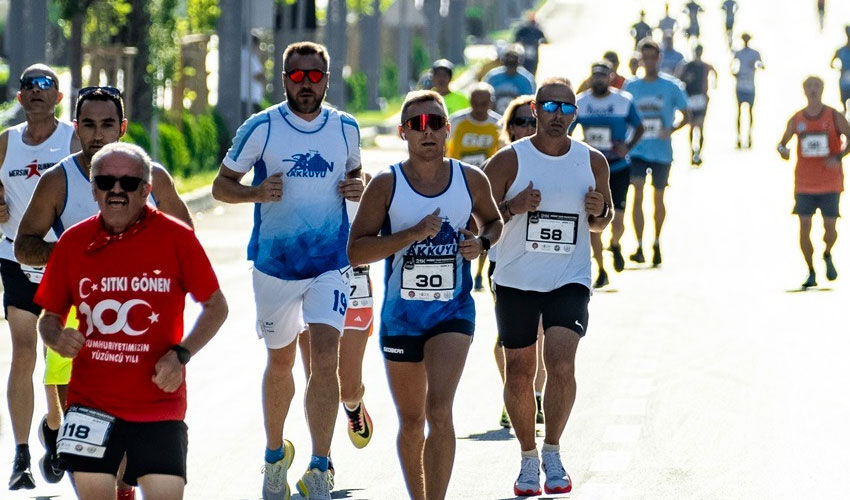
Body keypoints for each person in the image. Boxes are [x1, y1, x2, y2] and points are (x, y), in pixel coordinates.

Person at [14, 86, 193, 495]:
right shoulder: (58, 179)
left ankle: (123, 485)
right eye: (89, 125)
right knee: (90, 433)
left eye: (107, 124)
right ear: (75, 128)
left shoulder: (154, 177)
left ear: (123, 127)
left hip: (140, 324)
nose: (98, 135)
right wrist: (70, 255)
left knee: (135, 428)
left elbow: (188, 243)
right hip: (77, 320)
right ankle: (62, 437)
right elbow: (25, 243)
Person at [212, 41, 363, 500]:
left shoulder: (345, 128)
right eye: (297, 76)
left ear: (327, 79)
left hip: (330, 263)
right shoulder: (262, 127)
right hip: (276, 265)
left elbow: (357, 181)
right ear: (284, 79)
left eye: (315, 76)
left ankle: (320, 466)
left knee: (324, 359)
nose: (306, 84)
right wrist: (256, 195)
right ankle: (275, 456)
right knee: (280, 362)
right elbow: (221, 187)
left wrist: (359, 188)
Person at [33, 142, 227, 500]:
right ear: (93, 190)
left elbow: (217, 307)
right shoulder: (73, 243)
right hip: (91, 404)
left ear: (146, 190)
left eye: (128, 182)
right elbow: (48, 317)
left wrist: (181, 354)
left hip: (158, 405)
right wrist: (55, 336)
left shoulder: (176, 238)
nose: (116, 190)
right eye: (105, 182)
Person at [348, 90, 502, 500]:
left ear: (448, 129)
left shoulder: (471, 180)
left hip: (453, 313)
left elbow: (494, 222)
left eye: (435, 122)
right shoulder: (385, 184)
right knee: (412, 420)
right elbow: (356, 250)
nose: (426, 131)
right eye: (416, 125)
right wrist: (412, 235)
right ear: (403, 133)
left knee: (439, 410)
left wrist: (481, 244)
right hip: (401, 319)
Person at [484, 77, 613, 496]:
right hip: (516, 279)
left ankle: (553, 449)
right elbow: (479, 220)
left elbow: (602, 219)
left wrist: (599, 214)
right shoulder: (508, 161)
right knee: (520, 371)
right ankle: (527, 457)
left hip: (568, 277)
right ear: (536, 110)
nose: (558, 116)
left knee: (561, 363)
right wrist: (513, 207)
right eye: (550, 107)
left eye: (566, 109)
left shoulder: (592, 162)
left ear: (575, 114)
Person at [0, 63, 79, 491]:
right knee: (25, 352)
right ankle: (20, 453)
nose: (37, 91)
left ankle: (57, 426)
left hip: (66, 261)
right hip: (15, 259)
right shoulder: (5, 144)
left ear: (58, 97)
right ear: (19, 98)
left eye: (46, 84)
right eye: (29, 85)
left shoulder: (73, 137)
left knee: (62, 356)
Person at [490, 95, 546, 430]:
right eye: (520, 122)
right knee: (508, 336)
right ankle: (513, 391)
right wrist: (514, 205)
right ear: (509, 128)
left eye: (531, 121)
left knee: (539, 332)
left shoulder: (556, 159)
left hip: (545, 257)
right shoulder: (499, 162)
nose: (526, 127)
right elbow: (480, 214)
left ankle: (534, 396)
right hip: (504, 257)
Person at [573, 61, 645, 287]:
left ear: (611, 78)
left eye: (603, 76)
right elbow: (567, 131)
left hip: (618, 166)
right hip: (591, 169)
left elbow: (640, 126)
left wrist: (628, 146)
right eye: (595, 76)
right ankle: (601, 269)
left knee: (618, 217)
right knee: (594, 218)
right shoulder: (581, 102)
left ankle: (615, 243)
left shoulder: (623, 100)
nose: (599, 80)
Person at [777, 76, 849, 288]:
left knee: (830, 227)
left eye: (817, 86)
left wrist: (838, 157)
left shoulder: (833, 116)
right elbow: (782, 143)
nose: (813, 90)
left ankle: (827, 253)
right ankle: (810, 270)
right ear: (804, 90)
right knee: (805, 226)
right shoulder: (797, 118)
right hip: (804, 183)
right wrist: (784, 151)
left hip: (830, 183)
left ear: (823, 89)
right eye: (809, 86)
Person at [624, 38, 690, 267]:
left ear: (659, 58)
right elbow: (622, 115)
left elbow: (687, 115)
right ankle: (640, 245)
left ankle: (657, 242)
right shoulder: (630, 86)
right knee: (638, 192)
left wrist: (670, 129)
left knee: (658, 197)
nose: (649, 61)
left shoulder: (672, 86)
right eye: (645, 57)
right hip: (638, 150)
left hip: (662, 151)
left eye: (653, 57)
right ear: (640, 59)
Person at [447, 83, 501, 292]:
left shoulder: (498, 124)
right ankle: (460, 269)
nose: (479, 107)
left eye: (484, 103)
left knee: (483, 227)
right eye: (476, 103)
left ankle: (478, 273)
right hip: (458, 182)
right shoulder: (457, 122)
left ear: (491, 102)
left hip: (485, 185)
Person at [678, 45, 717, 165]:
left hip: (701, 97)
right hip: (690, 97)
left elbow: (714, 71)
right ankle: (692, 151)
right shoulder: (687, 66)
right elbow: (679, 77)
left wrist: (714, 85)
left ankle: (698, 152)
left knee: (700, 126)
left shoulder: (705, 66)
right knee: (691, 125)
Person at [484, 44, 537, 115]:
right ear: (503, 61)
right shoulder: (492, 77)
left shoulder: (527, 79)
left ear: (519, 62)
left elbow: (529, 102)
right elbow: (484, 98)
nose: (510, 66)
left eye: (513, 63)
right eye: (508, 62)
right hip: (494, 115)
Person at [732, 33, 763, 149]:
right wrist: (734, 73)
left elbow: (761, 64)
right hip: (740, 86)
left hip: (750, 86)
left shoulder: (754, 53)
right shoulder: (738, 53)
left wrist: (755, 66)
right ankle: (739, 136)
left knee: (750, 112)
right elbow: (732, 66)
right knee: (739, 112)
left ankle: (749, 136)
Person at [242, 34, 266, 115]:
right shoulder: (249, 56)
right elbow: (259, 76)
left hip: (244, 96)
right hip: (251, 97)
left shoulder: (242, 54)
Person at [830, 26, 850, 113]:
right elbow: (831, 64)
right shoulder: (840, 50)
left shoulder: (840, 50)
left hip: (843, 81)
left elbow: (831, 64)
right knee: (844, 104)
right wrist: (839, 69)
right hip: (844, 82)